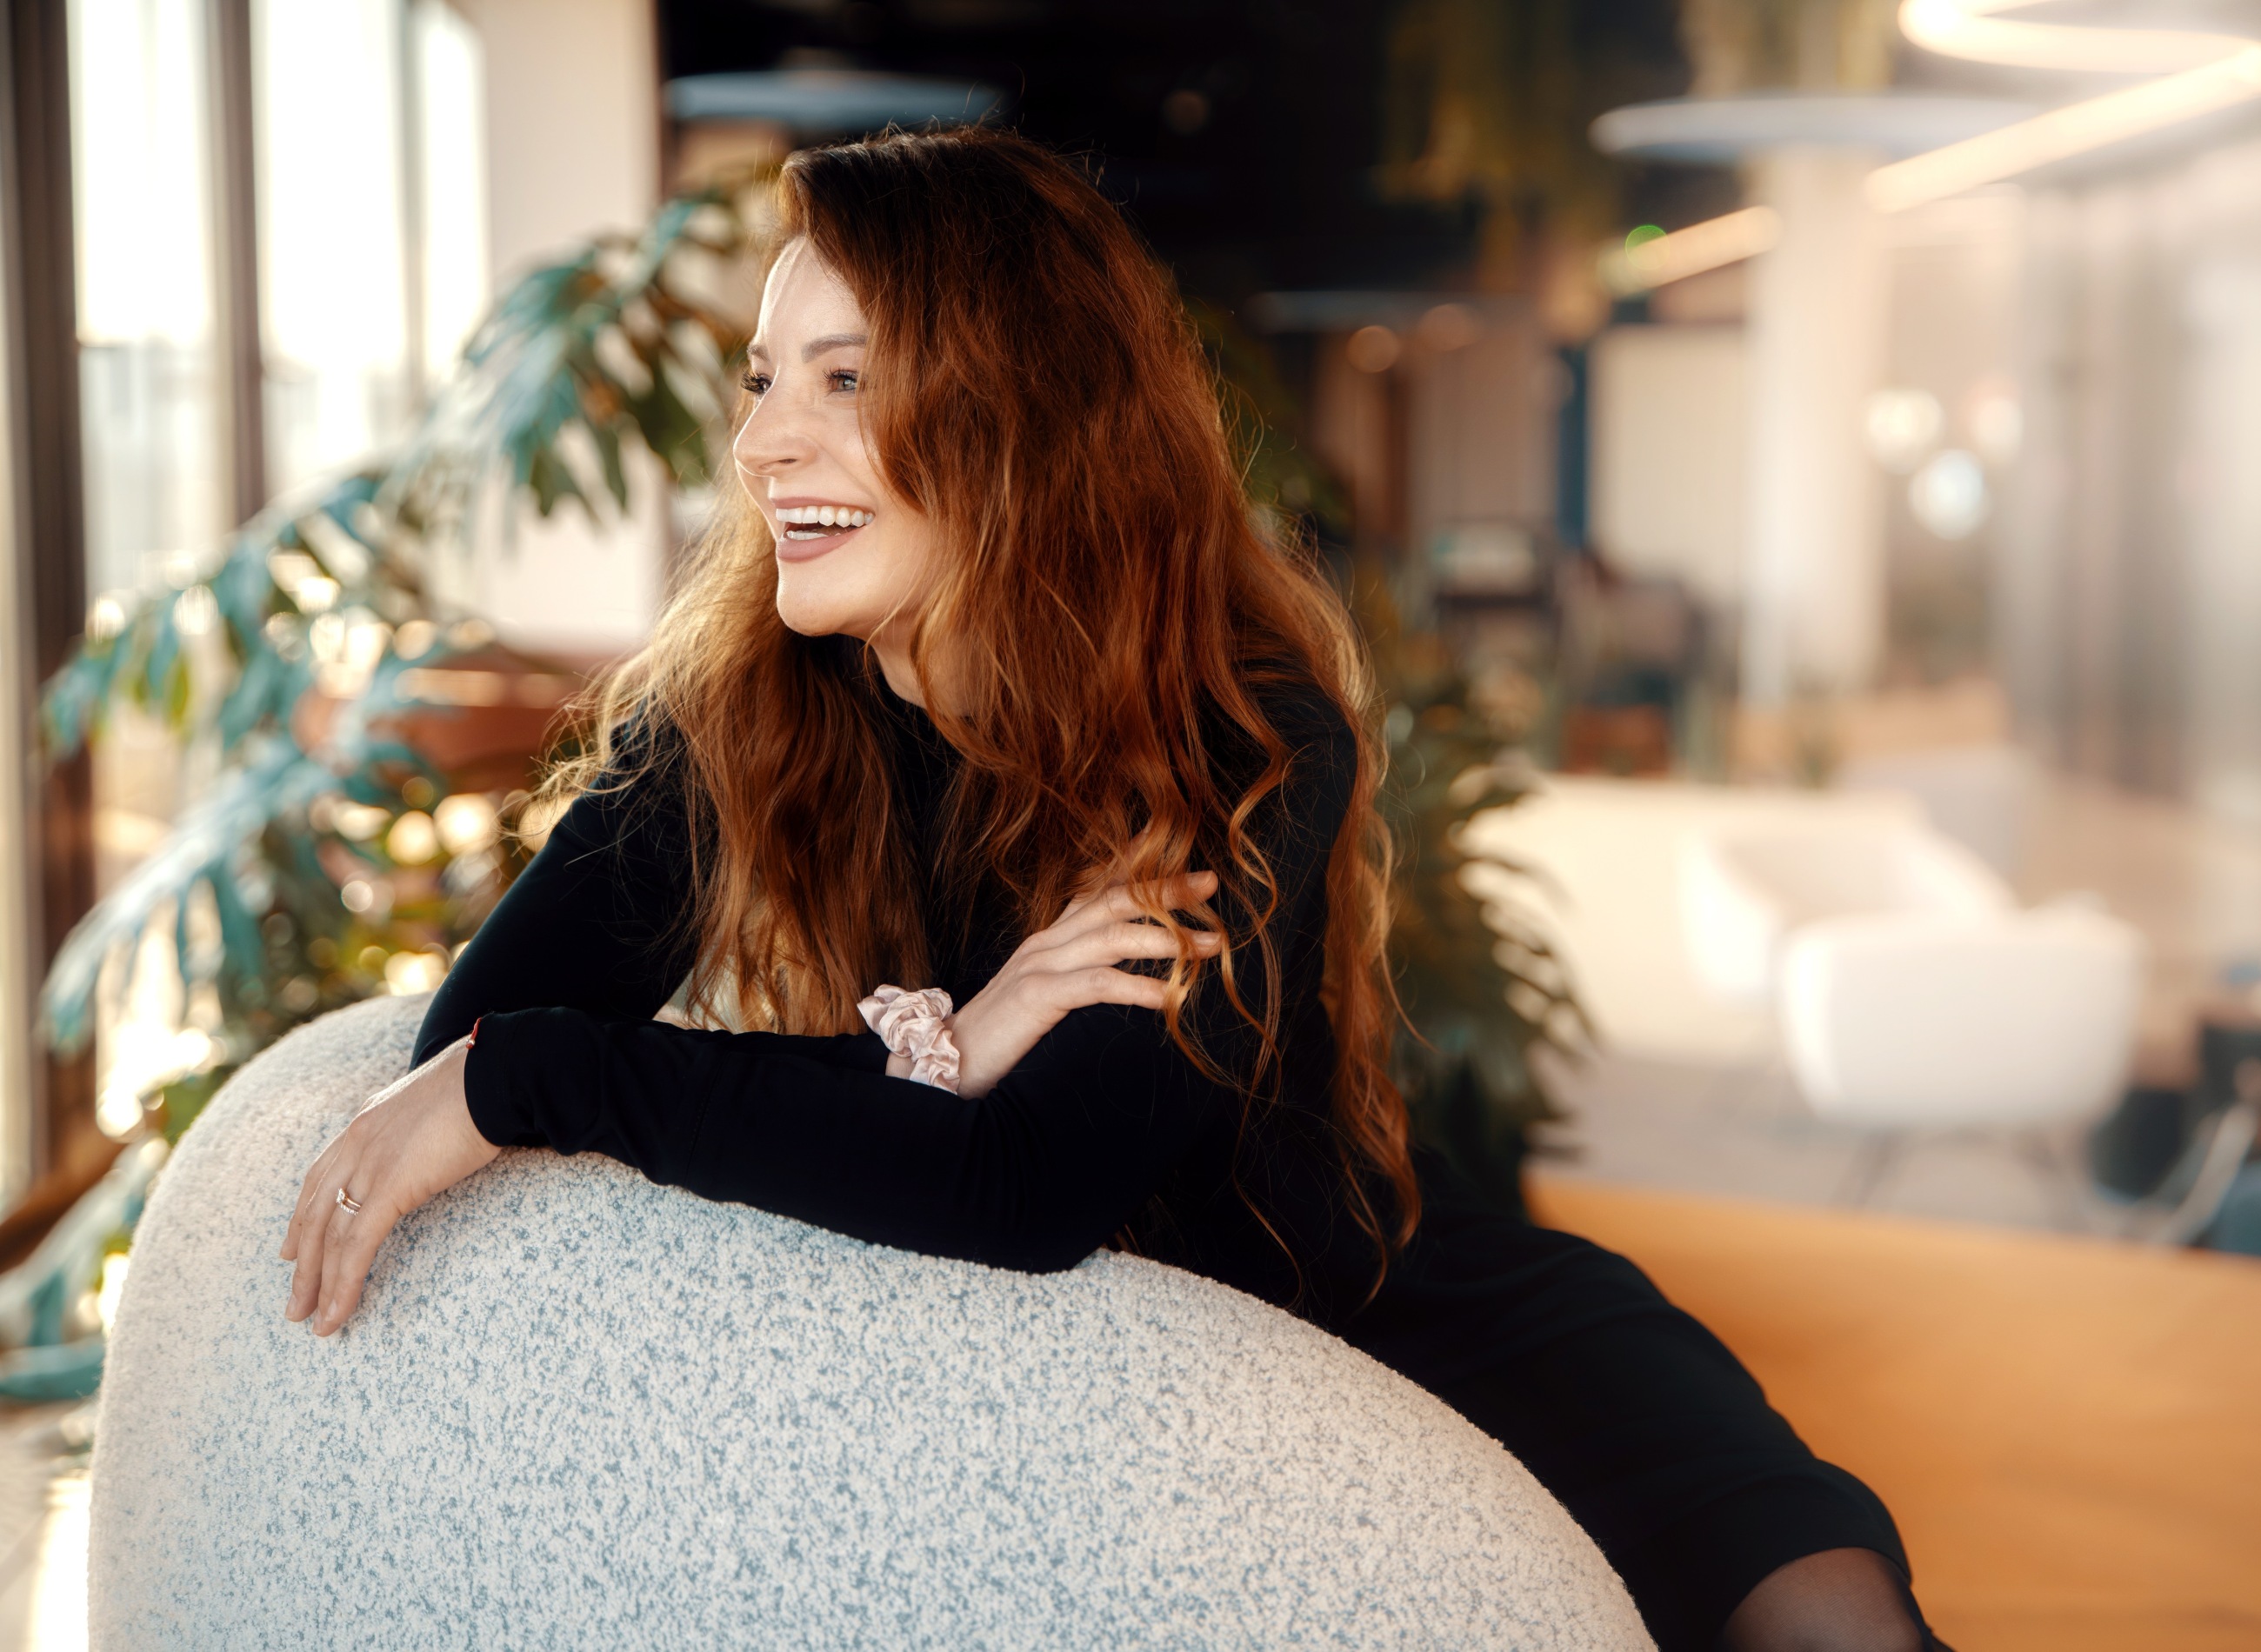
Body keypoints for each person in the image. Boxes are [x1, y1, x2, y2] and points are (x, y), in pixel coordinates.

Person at [280, 128, 1939, 1652]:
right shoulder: (737, 719)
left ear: (1019, 413)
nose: (764, 440)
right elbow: (471, 1049)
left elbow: (1027, 1180)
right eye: (765, 379)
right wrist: (957, 1043)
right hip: (1127, 1419)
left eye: (846, 379)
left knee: (1829, 1619)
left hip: (1380, 1322)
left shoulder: (1236, 736)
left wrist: (611, 1078)